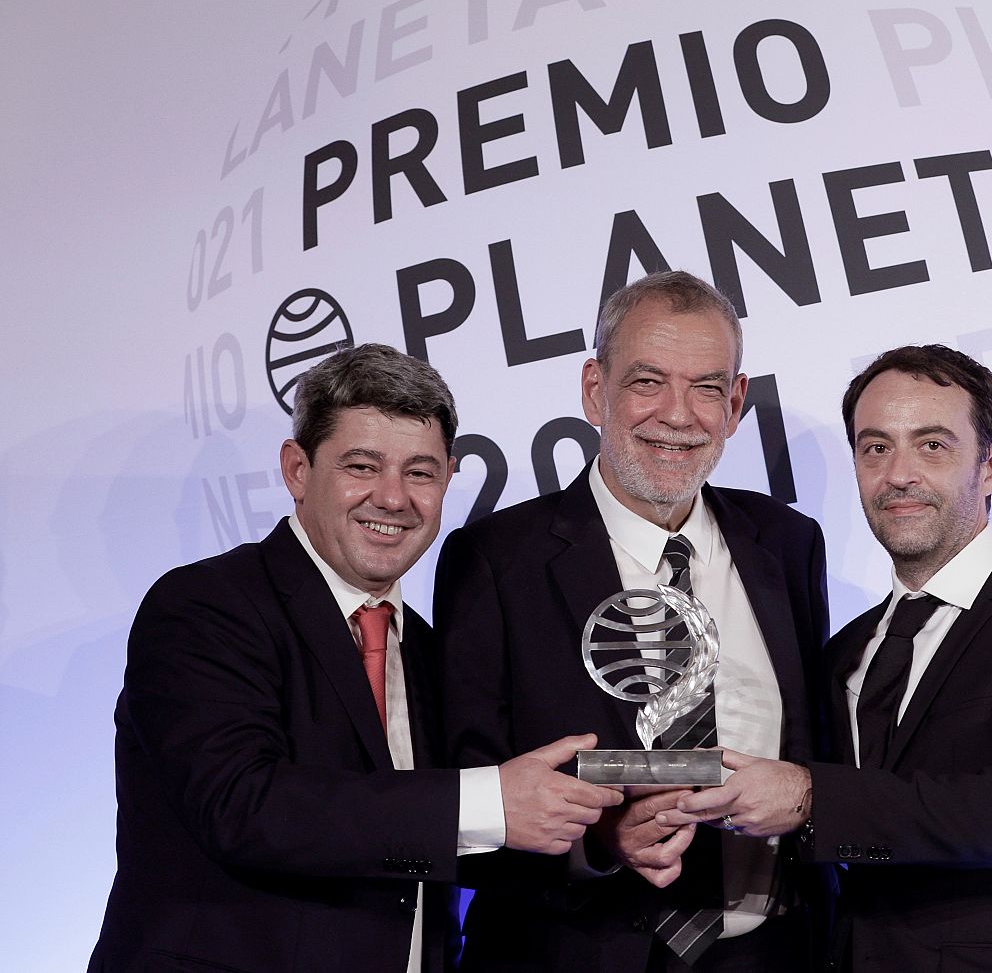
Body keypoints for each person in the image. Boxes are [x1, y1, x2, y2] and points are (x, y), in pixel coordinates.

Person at [90, 344, 621, 973]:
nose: (393, 499)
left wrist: (602, 838)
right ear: (296, 469)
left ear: (449, 478)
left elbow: (430, 836)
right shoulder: (205, 606)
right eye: (362, 466)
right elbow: (243, 806)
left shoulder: (427, 650)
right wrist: (488, 802)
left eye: (420, 473)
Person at [661, 344, 992, 973]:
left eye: (933, 445)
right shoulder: (846, 651)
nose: (899, 474)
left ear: (991, 465)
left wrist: (810, 796)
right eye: (876, 447)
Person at [434, 271, 830, 971]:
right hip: (573, 950)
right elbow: (463, 801)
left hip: (772, 953)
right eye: (648, 382)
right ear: (596, 391)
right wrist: (600, 840)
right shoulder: (495, 561)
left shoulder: (788, 544)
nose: (678, 415)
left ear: (736, 403)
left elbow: (814, 756)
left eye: (707, 387)